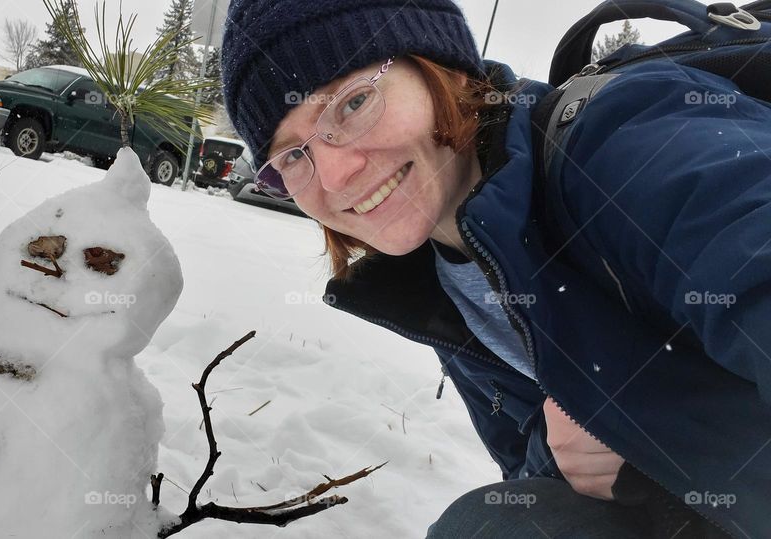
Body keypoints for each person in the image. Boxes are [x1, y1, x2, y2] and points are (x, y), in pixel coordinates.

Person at [220, 0, 771, 537]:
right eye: (293, 155)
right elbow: (540, 469)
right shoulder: (443, 278)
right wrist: (596, 453)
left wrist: (669, 436)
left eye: (353, 103)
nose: (335, 175)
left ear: (444, 68)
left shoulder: (631, 138)